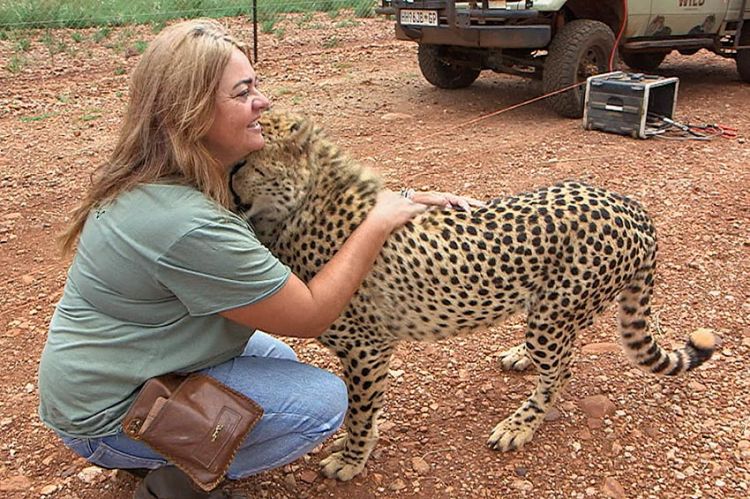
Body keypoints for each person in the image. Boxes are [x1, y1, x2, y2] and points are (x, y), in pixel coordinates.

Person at [37, 18, 478, 499]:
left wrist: (399, 200)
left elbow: (313, 200)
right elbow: (310, 314)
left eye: (257, 85)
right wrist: (376, 223)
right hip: (103, 413)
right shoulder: (188, 224)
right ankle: (171, 479)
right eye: (244, 91)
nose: (263, 102)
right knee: (321, 404)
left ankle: (164, 445)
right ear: (194, 113)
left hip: (116, 364)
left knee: (278, 360)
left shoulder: (172, 171)